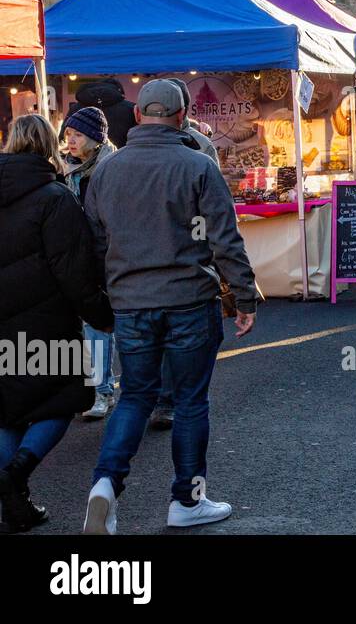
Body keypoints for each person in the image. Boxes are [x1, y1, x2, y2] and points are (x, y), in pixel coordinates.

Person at [82, 80, 258, 534]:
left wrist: (108, 293)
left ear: (138, 116)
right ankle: (187, 499)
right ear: (181, 117)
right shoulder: (198, 165)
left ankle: (105, 483)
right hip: (188, 299)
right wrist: (243, 295)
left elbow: (95, 243)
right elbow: (224, 239)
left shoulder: (106, 171)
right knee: (190, 401)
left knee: (134, 396)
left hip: (131, 302)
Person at [0, 115, 112, 533]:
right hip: (47, 323)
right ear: (50, 144)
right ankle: (14, 477)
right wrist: (102, 315)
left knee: (8, 411)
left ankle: (13, 493)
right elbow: (74, 270)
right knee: (62, 402)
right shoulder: (55, 196)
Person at [59, 108, 120, 423]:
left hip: (113, 255)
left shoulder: (112, 166)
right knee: (94, 325)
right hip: (84, 257)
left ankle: (139, 393)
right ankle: (102, 391)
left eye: (78, 135)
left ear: (96, 139)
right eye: (68, 134)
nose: (70, 140)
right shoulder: (68, 168)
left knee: (125, 326)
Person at [74, 78, 137, 148]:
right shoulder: (131, 108)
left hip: (83, 156)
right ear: (119, 90)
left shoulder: (75, 108)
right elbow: (138, 139)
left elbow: (63, 139)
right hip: (123, 156)